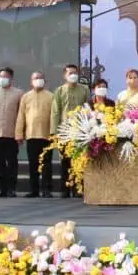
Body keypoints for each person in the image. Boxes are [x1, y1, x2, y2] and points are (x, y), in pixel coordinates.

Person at [52, 64, 90, 198]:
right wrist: (54, 132)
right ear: (65, 75)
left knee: (79, 159)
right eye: (70, 73)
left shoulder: (84, 89)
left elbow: (88, 108)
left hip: (80, 130)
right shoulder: (60, 91)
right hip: (64, 130)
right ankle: (64, 189)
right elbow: (56, 111)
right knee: (65, 160)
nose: (73, 75)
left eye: (75, 72)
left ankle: (78, 189)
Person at [17, 71, 55, 198]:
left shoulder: (51, 96)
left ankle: (46, 189)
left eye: (40, 78)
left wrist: (54, 133)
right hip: (31, 135)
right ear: (31, 81)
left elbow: (54, 116)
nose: (38, 80)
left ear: (45, 81)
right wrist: (19, 134)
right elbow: (21, 116)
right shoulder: (26, 97)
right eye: (35, 78)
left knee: (46, 164)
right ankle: (34, 190)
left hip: (47, 135)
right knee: (33, 164)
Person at [0, 67, 23, 197]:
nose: (2, 79)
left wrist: (20, 133)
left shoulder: (19, 93)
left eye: (5, 76)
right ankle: (2, 188)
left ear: (11, 78)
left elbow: (21, 115)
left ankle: (12, 189)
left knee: (12, 162)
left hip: (11, 133)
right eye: (1, 76)